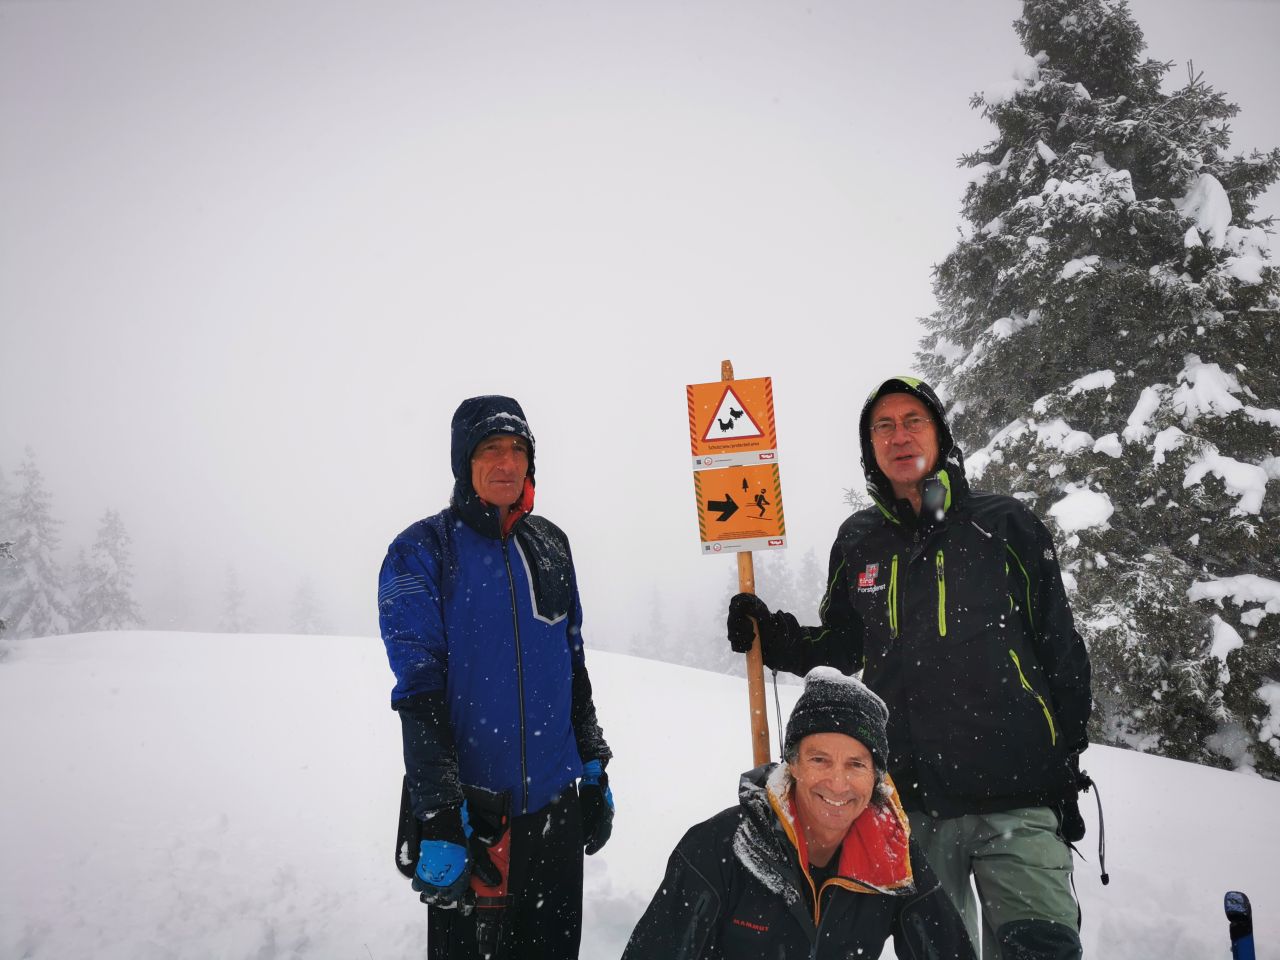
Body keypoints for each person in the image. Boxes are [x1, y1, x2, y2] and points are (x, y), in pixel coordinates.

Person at [725, 376, 1093, 960]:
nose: (899, 436)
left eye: (913, 421)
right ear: (870, 446)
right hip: (913, 807)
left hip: (1018, 795)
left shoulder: (1004, 525)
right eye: (884, 426)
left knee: (1040, 949)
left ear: (940, 434)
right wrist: (777, 639)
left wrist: (1065, 767)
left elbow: (1061, 651)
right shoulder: (859, 540)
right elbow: (845, 647)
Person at [378, 395, 614, 960]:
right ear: (465, 462)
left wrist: (594, 765)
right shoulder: (421, 551)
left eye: (518, 450)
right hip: (477, 817)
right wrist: (437, 812)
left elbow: (571, 664)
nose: (507, 463)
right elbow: (418, 692)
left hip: (556, 813)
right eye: (490, 449)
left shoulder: (551, 545)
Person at [623, 667, 975, 959]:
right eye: (819, 759)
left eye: (856, 765)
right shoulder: (719, 847)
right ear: (792, 764)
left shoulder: (892, 854)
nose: (838, 784)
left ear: (876, 778)